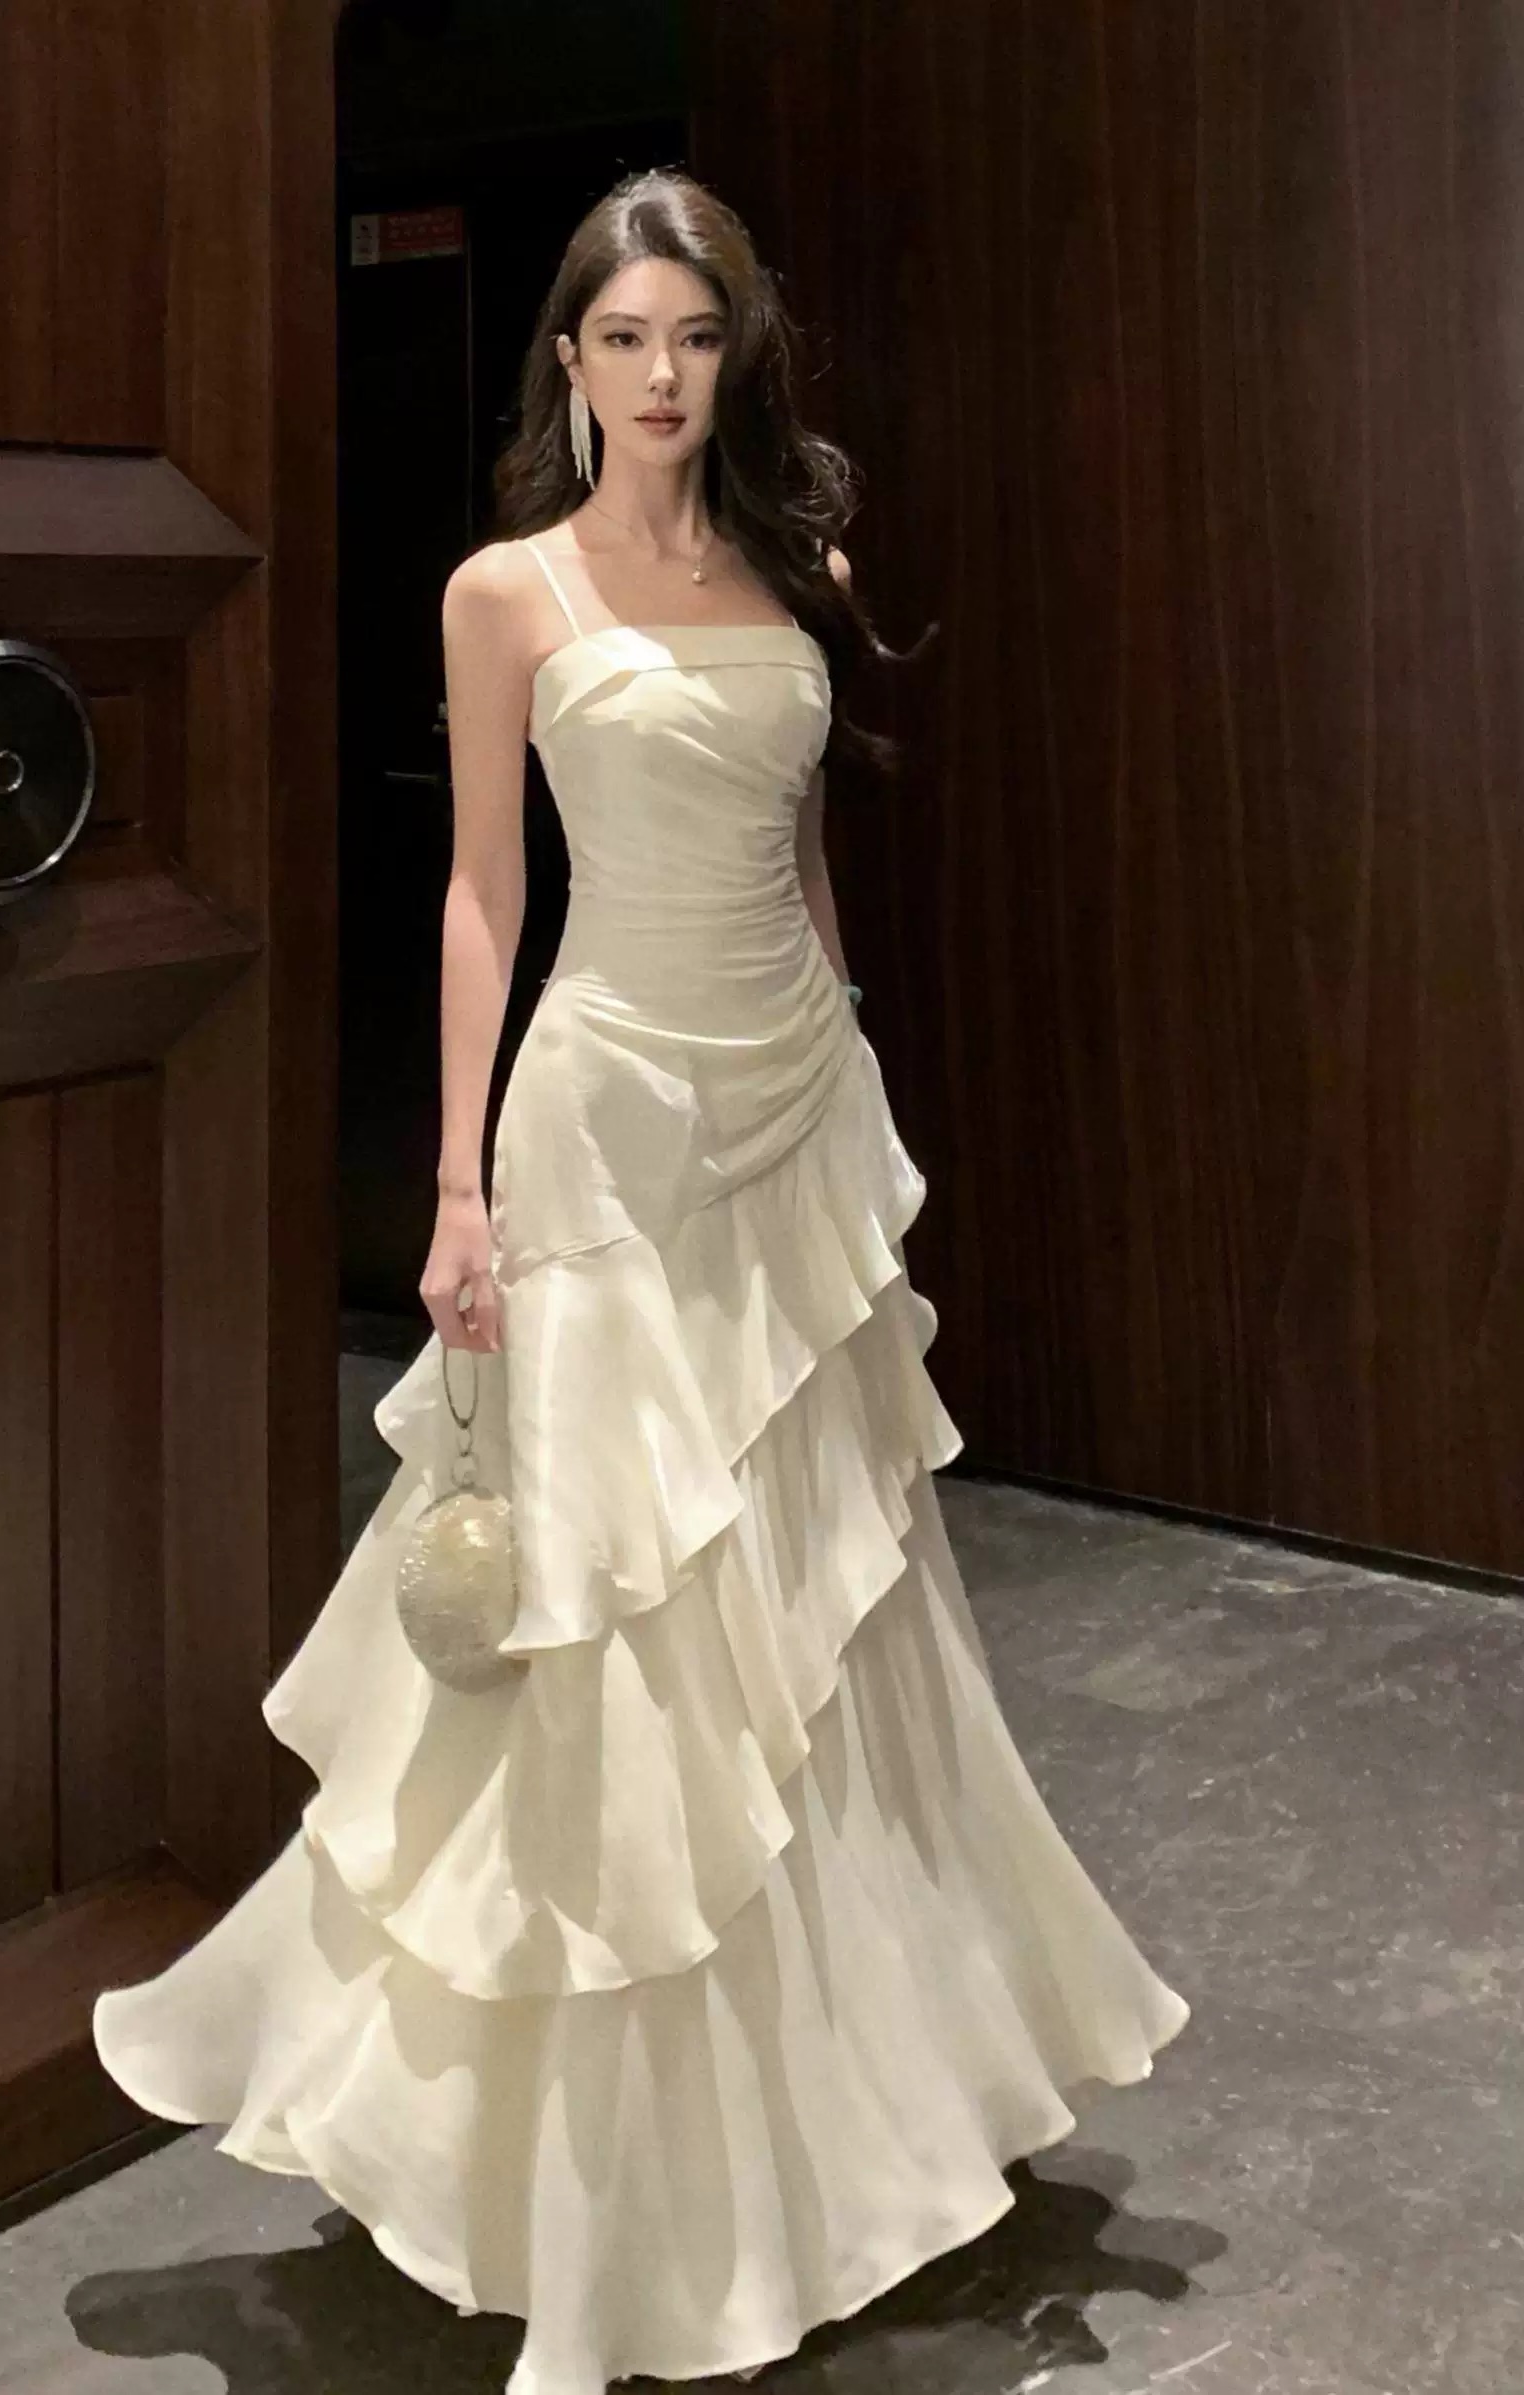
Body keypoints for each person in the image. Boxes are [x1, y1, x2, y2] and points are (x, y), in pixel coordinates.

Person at [93, 165, 1190, 2395]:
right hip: (600, 1128)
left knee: (816, 1610)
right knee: (618, 1612)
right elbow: (482, 896)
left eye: (696, 336)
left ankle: (852, 2130)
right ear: (571, 361)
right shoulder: (504, 590)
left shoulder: (801, 568)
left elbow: (805, 854)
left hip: (786, 1113)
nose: (664, 376)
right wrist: (456, 1186)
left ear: (732, 352)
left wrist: (852, 1082)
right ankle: (609, 2199)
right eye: (625, 338)